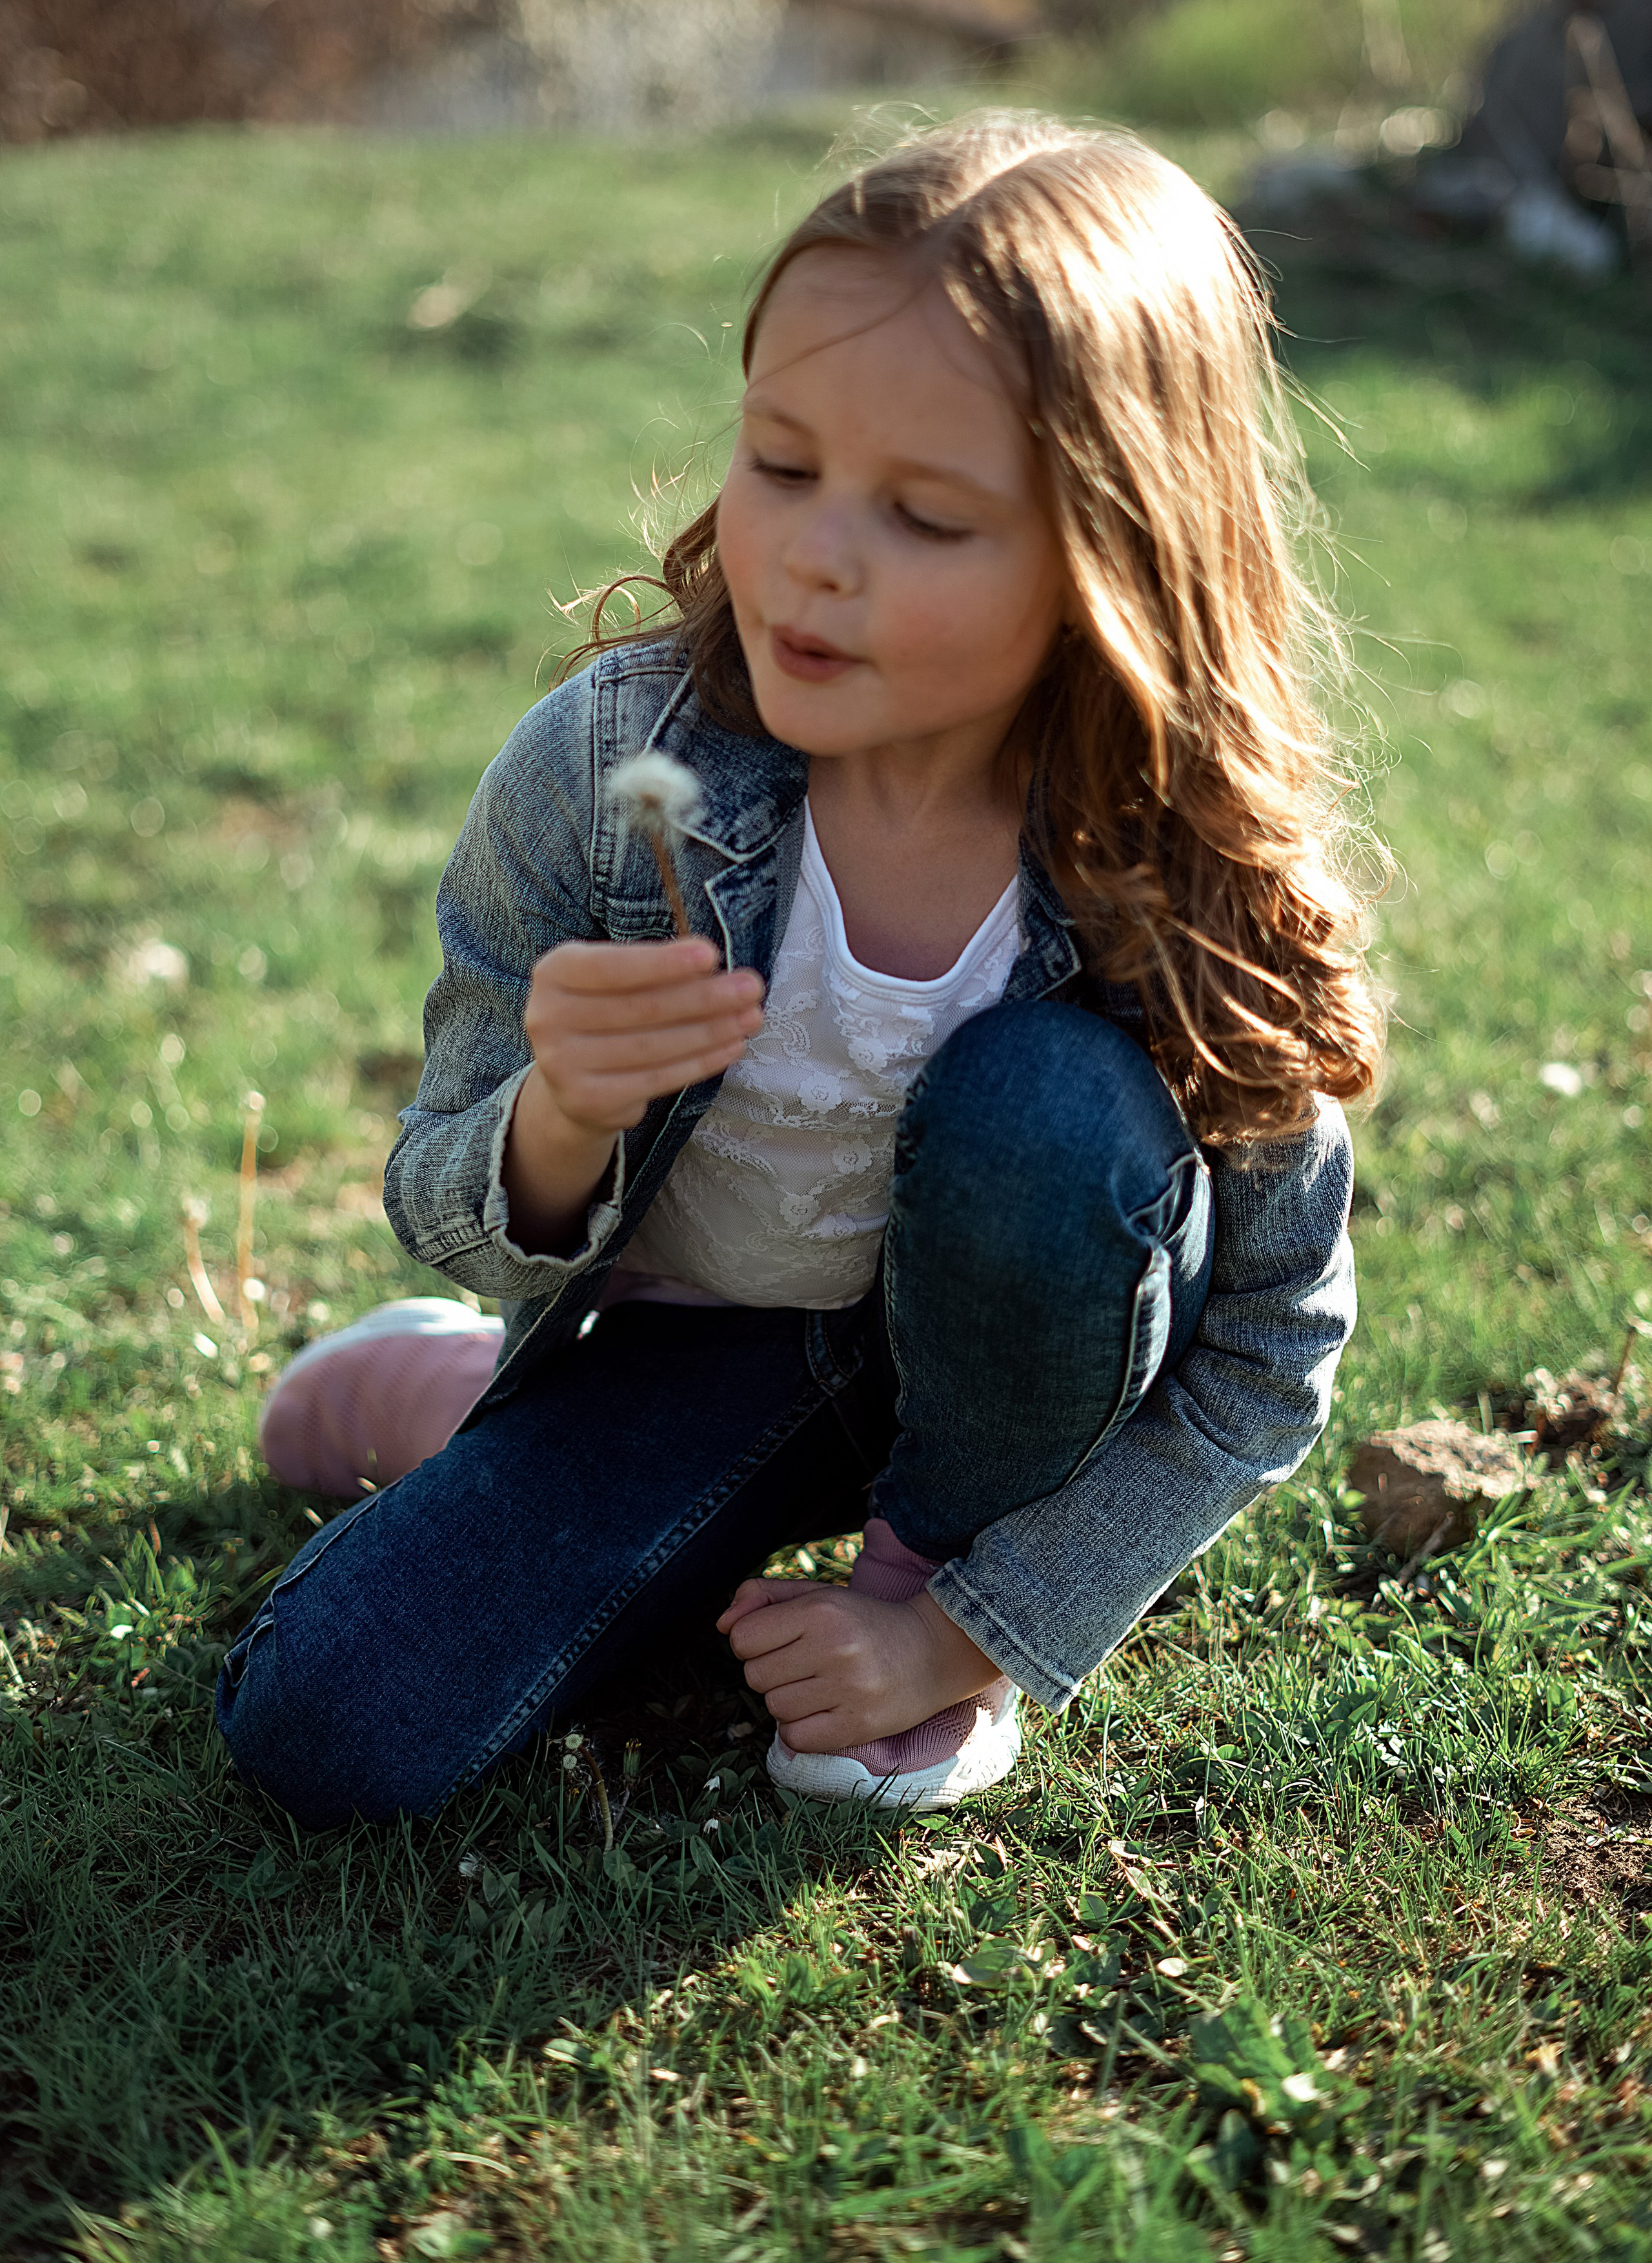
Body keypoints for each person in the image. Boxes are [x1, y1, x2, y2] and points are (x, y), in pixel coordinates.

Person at [219, 112, 1380, 1827]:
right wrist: (559, 1116)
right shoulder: (614, 779)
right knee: (328, 1732)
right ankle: (483, 1399)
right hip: (710, 1347)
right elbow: (439, 1189)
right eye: (779, 463)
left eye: (923, 513)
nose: (818, 556)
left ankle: (906, 1575)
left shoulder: (1173, 854)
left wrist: (976, 1637)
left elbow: (1270, 1344)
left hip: (1027, 1371)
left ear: (1114, 558)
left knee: (1048, 1111)